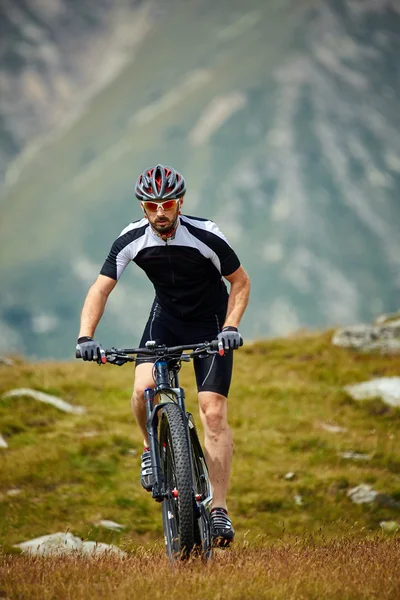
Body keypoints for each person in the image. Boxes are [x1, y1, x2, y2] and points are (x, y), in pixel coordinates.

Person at [76, 164, 250, 546]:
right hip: (167, 320)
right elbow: (100, 288)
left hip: (211, 323)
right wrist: (86, 335)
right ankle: (149, 447)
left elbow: (239, 281)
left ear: (180, 202)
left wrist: (230, 327)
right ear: (142, 207)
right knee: (142, 390)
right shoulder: (131, 239)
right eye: (151, 205)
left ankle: (218, 509)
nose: (160, 212)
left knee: (213, 410)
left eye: (167, 203)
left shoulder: (206, 235)